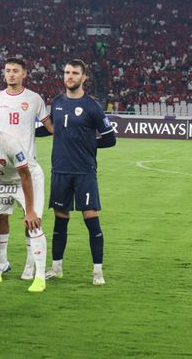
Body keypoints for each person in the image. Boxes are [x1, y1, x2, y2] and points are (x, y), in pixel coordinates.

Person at [45, 59, 116, 285]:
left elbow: (110, 138)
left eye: (75, 73)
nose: (70, 76)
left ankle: (97, 272)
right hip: (60, 170)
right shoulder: (56, 103)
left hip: (84, 171)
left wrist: (89, 145)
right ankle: (56, 268)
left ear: (84, 77)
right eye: (66, 72)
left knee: (91, 220)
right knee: (60, 221)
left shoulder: (92, 106)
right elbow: (49, 130)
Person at [0, 112, 48, 292]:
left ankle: (40, 278)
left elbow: (25, 176)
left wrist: (29, 211)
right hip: (4, 182)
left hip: (28, 180)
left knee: (34, 224)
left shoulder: (10, 143)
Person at [0, 58, 54, 280]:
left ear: (24, 74)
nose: (11, 74)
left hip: (27, 168)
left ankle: (30, 265)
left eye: (15, 71)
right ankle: (1, 261)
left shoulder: (34, 99)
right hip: (1, 171)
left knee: (32, 219)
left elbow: (50, 127)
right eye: (8, 70)